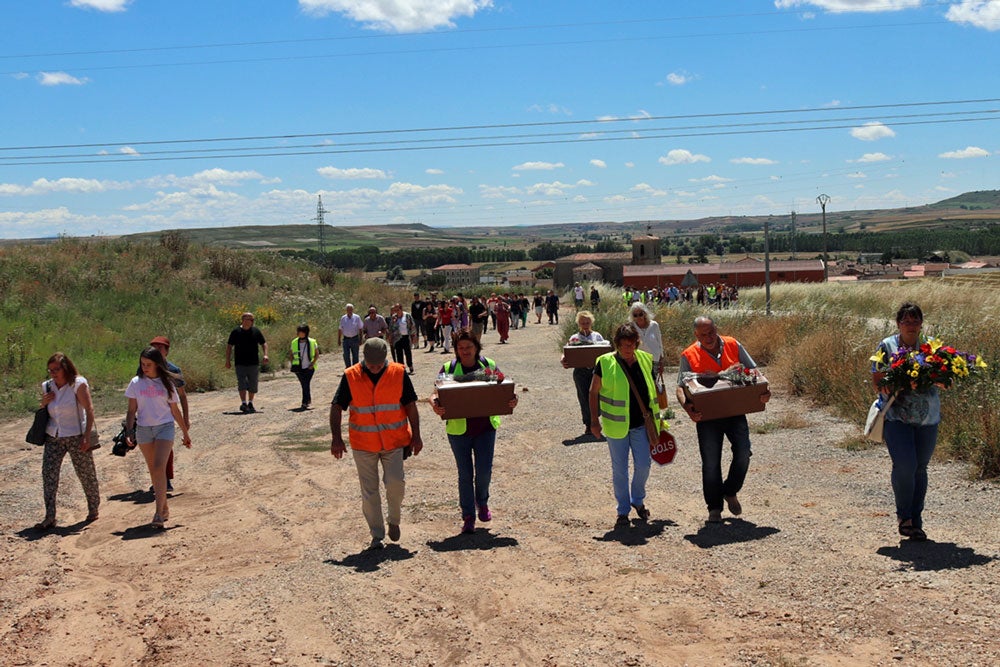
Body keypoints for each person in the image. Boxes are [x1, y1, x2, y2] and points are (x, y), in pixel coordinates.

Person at [330, 337, 423, 550]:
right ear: (363, 359)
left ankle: (394, 520)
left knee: (395, 483)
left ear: (386, 359)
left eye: (378, 365)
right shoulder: (351, 376)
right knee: (369, 491)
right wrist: (336, 438)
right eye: (370, 365)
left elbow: (410, 405)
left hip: (394, 442)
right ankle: (377, 535)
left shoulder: (398, 373)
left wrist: (416, 435)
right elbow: (336, 407)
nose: (374, 368)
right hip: (363, 444)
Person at [675, 316, 770, 524]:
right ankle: (714, 508)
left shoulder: (733, 344)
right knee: (710, 463)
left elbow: (754, 372)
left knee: (744, 452)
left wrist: (764, 391)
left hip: (735, 410)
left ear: (716, 329)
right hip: (707, 416)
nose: (708, 338)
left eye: (711, 332)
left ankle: (730, 491)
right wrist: (687, 407)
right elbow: (680, 387)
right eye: (703, 335)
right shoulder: (689, 354)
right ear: (696, 335)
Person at [431, 328, 518, 534]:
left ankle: (483, 502)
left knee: (484, 472)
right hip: (458, 430)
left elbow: (503, 387)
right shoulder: (448, 368)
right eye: (460, 348)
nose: (464, 351)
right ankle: (468, 515)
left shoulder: (488, 366)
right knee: (465, 474)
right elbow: (436, 393)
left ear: (476, 347)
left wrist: (512, 400)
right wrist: (435, 403)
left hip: (485, 428)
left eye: (468, 347)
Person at [871, 302, 940, 542]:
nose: (911, 326)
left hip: (927, 417)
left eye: (915, 321)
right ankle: (904, 517)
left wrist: (940, 380)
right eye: (906, 321)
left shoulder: (932, 348)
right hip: (896, 416)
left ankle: (916, 521)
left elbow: (944, 377)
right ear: (898, 323)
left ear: (921, 323)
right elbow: (877, 379)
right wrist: (897, 383)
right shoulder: (887, 346)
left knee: (920, 468)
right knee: (905, 465)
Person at [589, 324, 657, 527]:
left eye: (631, 344)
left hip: (641, 425)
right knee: (620, 470)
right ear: (617, 344)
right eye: (623, 344)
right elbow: (593, 392)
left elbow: (652, 392)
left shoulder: (645, 359)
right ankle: (623, 510)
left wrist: (658, 421)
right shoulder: (605, 362)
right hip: (615, 425)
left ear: (637, 342)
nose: (627, 348)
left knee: (644, 465)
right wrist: (594, 421)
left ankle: (638, 499)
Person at [126, 347, 192, 529]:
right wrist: (129, 431)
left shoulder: (167, 384)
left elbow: (174, 410)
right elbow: (131, 410)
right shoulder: (135, 383)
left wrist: (185, 433)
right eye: (142, 364)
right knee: (154, 471)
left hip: (165, 427)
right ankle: (164, 506)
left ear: (157, 364)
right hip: (144, 430)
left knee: (158, 466)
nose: (145, 367)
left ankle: (157, 513)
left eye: (148, 364)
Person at [36, 352, 100, 529]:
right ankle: (50, 517)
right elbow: (44, 410)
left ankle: (93, 508)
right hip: (53, 436)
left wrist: (87, 435)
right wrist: (43, 403)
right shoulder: (47, 386)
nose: (53, 374)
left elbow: (89, 409)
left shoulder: (77, 384)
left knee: (85, 473)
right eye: (50, 370)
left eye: (56, 369)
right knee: (48, 474)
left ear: (66, 368)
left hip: (75, 435)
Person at [144, 336, 189, 492]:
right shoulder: (144, 368)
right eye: (154, 346)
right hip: (148, 416)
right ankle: (159, 479)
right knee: (151, 450)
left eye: (160, 347)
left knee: (165, 448)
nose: (156, 350)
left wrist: (185, 419)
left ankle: (165, 479)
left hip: (167, 416)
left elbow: (182, 396)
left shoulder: (174, 370)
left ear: (167, 351)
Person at [561, 311, 606, 440]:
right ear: (578, 323)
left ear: (591, 322)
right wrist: (563, 359)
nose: (585, 325)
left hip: (596, 371)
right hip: (580, 372)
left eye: (587, 322)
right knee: (584, 398)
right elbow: (566, 352)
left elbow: (604, 350)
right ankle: (588, 424)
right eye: (582, 322)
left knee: (597, 396)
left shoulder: (597, 336)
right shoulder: (574, 337)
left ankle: (595, 420)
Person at [225, 312, 269, 414]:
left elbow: (264, 343)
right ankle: (243, 403)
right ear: (243, 320)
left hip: (253, 362)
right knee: (242, 383)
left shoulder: (256, 331)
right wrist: (227, 360)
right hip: (240, 363)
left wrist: (265, 355)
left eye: (252, 319)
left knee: (253, 384)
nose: (252, 321)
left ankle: (250, 403)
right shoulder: (236, 332)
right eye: (250, 319)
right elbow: (229, 346)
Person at [288, 324, 320, 409]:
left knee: (305, 384)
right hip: (298, 368)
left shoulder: (312, 342)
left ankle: (304, 402)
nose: (298, 333)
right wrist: (293, 364)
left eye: (300, 331)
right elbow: (291, 354)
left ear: (306, 332)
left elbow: (317, 354)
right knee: (304, 384)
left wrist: (312, 363)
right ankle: (307, 400)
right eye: (298, 331)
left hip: (309, 367)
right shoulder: (294, 342)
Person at [629, 303, 664, 374]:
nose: (638, 317)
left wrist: (661, 360)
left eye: (640, 314)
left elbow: (660, 343)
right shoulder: (631, 327)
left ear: (645, 313)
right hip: (638, 361)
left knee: (653, 383)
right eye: (635, 315)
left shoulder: (654, 325)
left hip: (654, 360)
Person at [387, 303, 416, 374]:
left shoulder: (407, 316)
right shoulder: (394, 317)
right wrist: (390, 338)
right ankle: (401, 369)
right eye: (395, 310)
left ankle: (410, 365)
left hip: (406, 337)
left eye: (398, 309)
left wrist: (414, 336)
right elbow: (391, 328)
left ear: (401, 309)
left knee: (408, 353)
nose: (396, 311)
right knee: (399, 354)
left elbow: (412, 326)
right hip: (397, 338)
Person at [338, 303, 363, 368]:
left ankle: (355, 369)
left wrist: (360, 339)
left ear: (353, 309)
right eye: (348, 309)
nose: (349, 310)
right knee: (346, 355)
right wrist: (339, 339)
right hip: (346, 339)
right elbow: (340, 329)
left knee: (355, 355)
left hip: (355, 339)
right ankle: (348, 368)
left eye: (351, 309)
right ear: (346, 310)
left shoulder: (357, 317)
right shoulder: (343, 318)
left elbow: (360, 328)